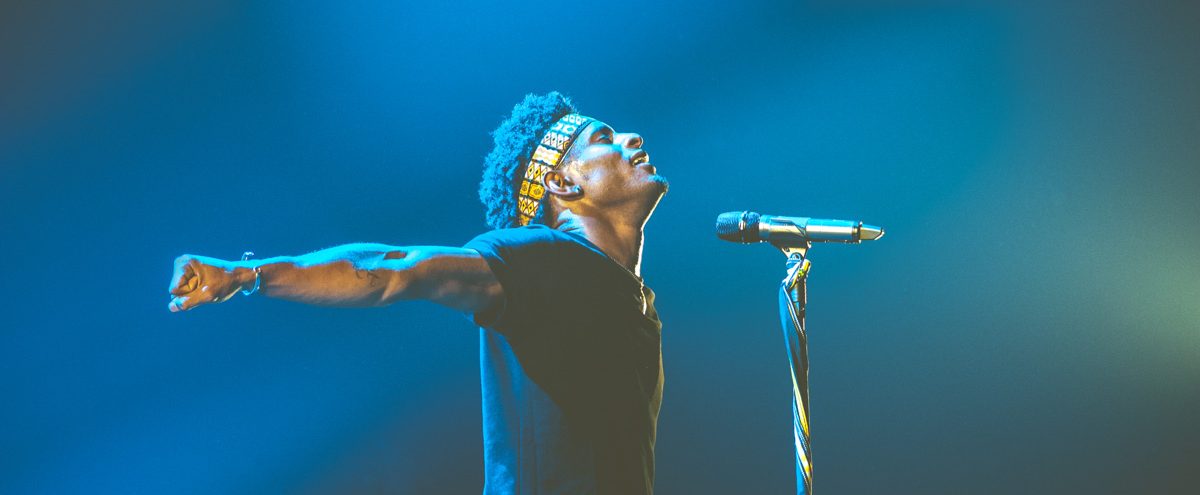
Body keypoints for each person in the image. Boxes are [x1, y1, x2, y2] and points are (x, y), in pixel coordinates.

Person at [167, 91, 670, 494]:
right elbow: (393, 269)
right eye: (604, 138)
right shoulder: (544, 258)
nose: (631, 138)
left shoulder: (627, 297)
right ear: (561, 182)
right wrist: (248, 274)